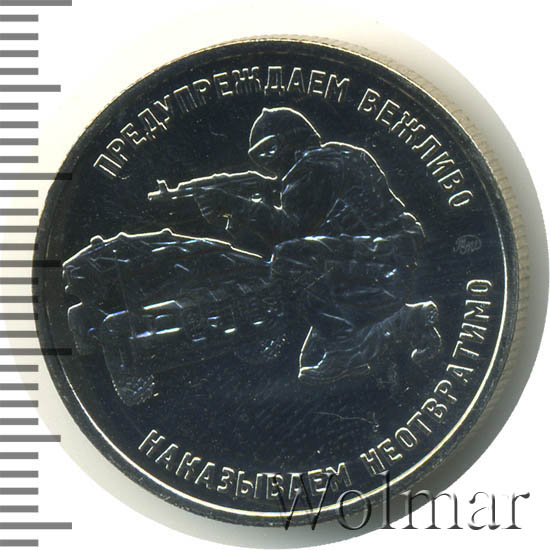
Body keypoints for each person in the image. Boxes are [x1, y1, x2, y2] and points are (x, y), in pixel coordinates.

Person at [193, 107, 441, 383]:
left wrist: (236, 205)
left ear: (290, 140)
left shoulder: (313, 166)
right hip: (387, 264)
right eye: (258, 156)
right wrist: (244, 210)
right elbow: (324, 224)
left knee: (289, 258)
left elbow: (292, 231)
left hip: (381, 263)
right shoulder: (339, 155)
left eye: (269, 149)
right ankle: (409, 319)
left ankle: (344, 349)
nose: (266, 161)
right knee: (309, 358)